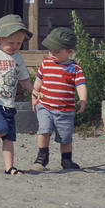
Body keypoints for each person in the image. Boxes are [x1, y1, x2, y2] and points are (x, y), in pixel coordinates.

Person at [0, 14, 41, 176]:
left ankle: (9, 167)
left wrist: (33, 90)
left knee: (9, 138)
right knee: (1, 128)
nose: (15, 46)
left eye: (19, 43)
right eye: (11, 43)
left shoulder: (18, 57)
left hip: (9, 105)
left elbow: (24, 79)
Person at [31, 27, 87, 171]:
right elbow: (38, 81)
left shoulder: (75, 68)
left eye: (57, 51)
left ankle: (66, 160)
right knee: (44, 130)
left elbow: (80, 85)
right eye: (50, 50)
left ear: (69, 52)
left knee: (65, 137)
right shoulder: (46, 63)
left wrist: (83, 99)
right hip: (45, 105)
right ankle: (42, 156)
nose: (52, 54)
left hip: (65, 110)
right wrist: (34, 97)